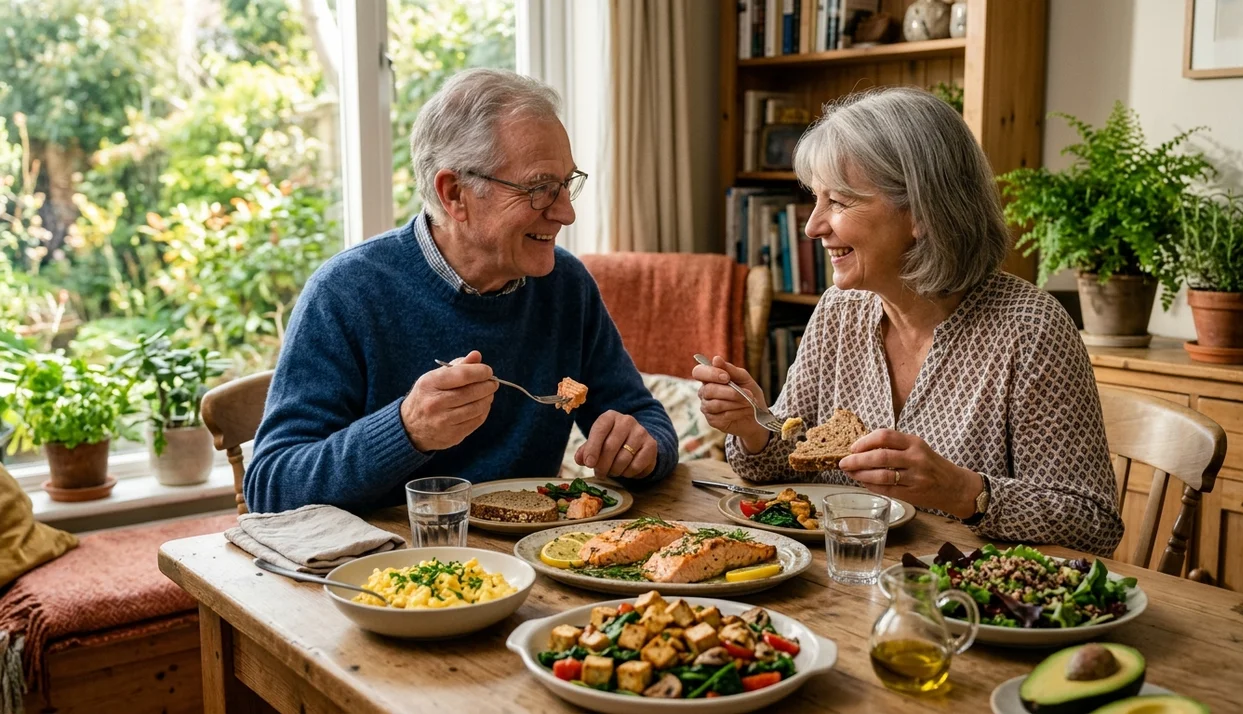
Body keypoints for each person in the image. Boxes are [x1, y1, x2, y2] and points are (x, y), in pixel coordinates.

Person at [693, 87, 1124, 556]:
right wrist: (754, 426)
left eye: (838, 202)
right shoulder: (839, 310)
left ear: (921, 212)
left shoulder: (1030, 329)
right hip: (844, 579)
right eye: (816, 199)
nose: (813, 226)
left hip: (959, 593)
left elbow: (1094, 523)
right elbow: (783, 464)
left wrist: (964, 492)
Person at [244, 69, 677, 513]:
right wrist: (406, 430)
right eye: (540, 189)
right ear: (454, 194)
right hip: (392, 556)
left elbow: (646, 420)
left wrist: (642, 449)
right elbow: (270, 488)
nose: (566, 213)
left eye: (566, 184)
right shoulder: (345, 293)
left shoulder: (566, 286)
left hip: (533, 550)